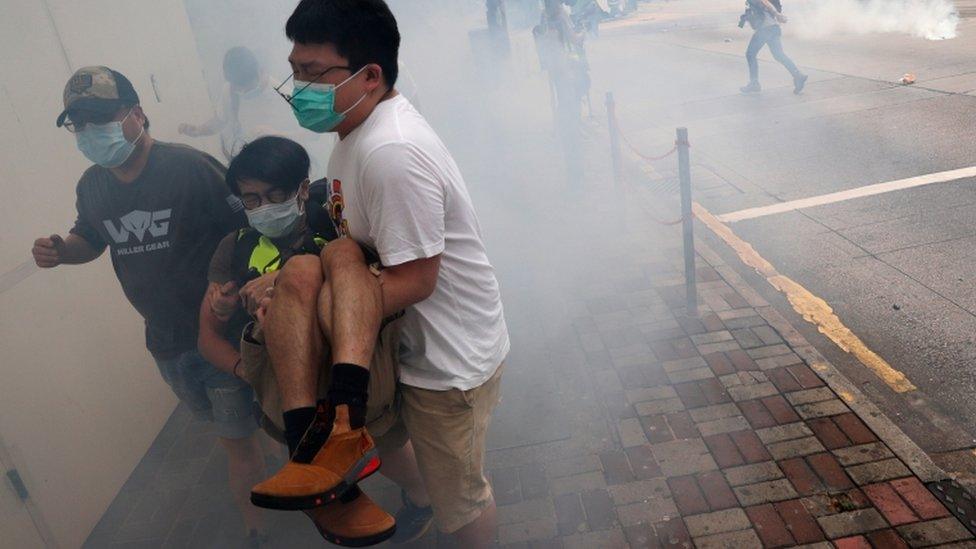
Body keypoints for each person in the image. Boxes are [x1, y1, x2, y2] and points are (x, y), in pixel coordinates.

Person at [250, 1, 511, 546]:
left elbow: (416, 280)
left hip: (446, 362)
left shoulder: (391, 152)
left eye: (313, 73)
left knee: (460, 503)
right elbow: (362, 251)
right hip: (400, 347)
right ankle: (326, 459)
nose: (299, 88)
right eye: (294, 71)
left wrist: (317, 317)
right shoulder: (354, 135)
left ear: (370, 75)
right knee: (305, 269)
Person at [32, 67, 268, 543]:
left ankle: (258, 532)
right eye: (79, 124)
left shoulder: (189, 168)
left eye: (101, 117)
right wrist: (62, 251)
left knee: (237, 444)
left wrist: (238, 287)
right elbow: (91, 238)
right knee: (234, 431)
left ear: (137, 114)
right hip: (165, 343)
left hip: (219, 334)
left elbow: (248, 231)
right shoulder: (92, 186)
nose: (90, 132)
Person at [200, 135, 409, 546]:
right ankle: (316, 457)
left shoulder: (336, 223)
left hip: (352, 365)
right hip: (286, 381)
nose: (262, 206)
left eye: (274, 195)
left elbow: (386, 276)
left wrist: (283, 278)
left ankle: (331, 448)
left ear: (301, 188)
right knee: (303, 271)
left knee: (329, 259)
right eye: (251, 199)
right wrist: (240, 356)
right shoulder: (234, 248)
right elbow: (206, 333)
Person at [178, 46, 319, 163]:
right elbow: (220, 120)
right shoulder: (230, 90)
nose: (242, 91)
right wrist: (199, 130)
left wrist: (277, 134)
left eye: (247, 87)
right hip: (248, 163)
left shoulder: (283, 93)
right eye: (238, 86)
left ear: (260, 71)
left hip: (280, 163)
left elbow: (313, 133)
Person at [740, 0, 808, 95]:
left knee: (750, 54)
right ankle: (798, 75)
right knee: (778, 55)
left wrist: (776, 14)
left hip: (765, 29)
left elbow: (764, 2)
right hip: (773, 28)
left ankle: (754, 83)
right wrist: (746, 18)